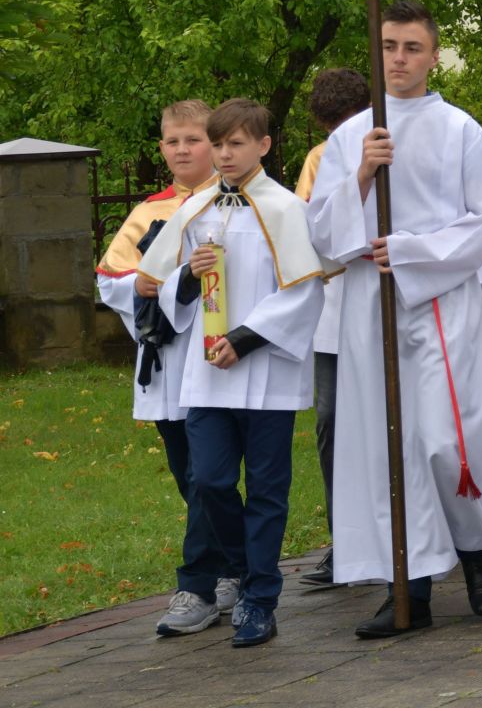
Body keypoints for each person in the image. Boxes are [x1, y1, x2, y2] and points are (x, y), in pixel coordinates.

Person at [304, 0, 482, 638]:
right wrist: (363, 176)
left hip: (440, 302)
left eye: (412, 47)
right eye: (389, 46)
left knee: (448, 441)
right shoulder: (351, 137)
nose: (399, 59)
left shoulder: (461, 131)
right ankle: (408, 586)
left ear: (434, 55)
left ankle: (477, 555)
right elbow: (321, 233)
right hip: (371, 308)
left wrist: (414, 252)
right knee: (386, 444)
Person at [138, 99, 331, 646]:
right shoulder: (197, 208)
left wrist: (244, 340)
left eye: (236, 144)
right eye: (218, 144)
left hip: (266, 371)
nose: (225, 154)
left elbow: (303, 290)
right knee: (209, 480)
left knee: (267, 490)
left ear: (263, 146)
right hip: (208, 374)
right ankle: (246, 572)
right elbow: (157, 283)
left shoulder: (286, 209)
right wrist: (188, 275)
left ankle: (260, 601)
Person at [97, 99, 223, 612]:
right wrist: (142, 286)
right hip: (167, 359)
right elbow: (111, 278)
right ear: (161, 148)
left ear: (215, 143)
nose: (182, 150)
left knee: (205, 473)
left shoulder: (232, 203)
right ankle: (233, 564)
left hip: (217, 355)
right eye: (173, 141)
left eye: (193, 139)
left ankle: (200, 582)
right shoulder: (148, 212)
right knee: (185, 469)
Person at [292, 67, 369, 590]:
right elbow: (312, 234)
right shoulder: (320, 160)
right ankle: (346, 539)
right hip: (336, 310)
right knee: (332, 421)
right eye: (331, 127)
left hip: (392, 302)